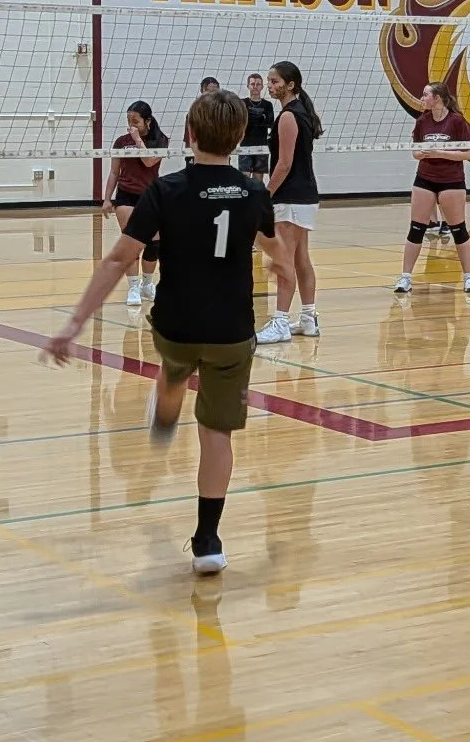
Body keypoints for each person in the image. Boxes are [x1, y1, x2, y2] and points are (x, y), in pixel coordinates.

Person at [45, 89, 289, 571]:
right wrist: (280, 266)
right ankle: (208, 542)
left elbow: (118, 260)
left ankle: (168, 399)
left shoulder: (167, 190)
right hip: (232, 331)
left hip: (176, 325)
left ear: (189, 134)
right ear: (241, 136)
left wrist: (74, 324)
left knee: (175, 366)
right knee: (217, 433)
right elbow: (274, 249)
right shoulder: (254, 193)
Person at [257, 60, 322, 345]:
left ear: (290, 84)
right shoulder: (300, 112)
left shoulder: (288, 116)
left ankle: (281, 321)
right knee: (300, 258)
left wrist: (265, 194)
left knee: (283, 261)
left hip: (292, 197)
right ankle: (308, 319)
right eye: (269, 81)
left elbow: (283, 164)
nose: (269, 86)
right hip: (304, 195)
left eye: (274, 81)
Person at [395, 81, 470, 294]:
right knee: (416, 229)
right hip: (425, 178)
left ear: (437, 98)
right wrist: (422, 153)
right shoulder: (422, 121)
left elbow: (469, 154)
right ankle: (405, 278)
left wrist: (441, 153)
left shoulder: (456, 121)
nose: (422, 98)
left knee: (458, 230)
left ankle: (469, 278)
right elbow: (415, 152)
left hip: (452, 180)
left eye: (425, 95)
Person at [103, 102, 168, 307]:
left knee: (154, 244)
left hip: (150, 196)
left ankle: (147, 284)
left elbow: (149, 162)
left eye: (135, 121)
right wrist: (107, 198)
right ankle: (133, 287)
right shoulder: (121, 142)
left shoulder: (160, 140)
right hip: (126, 196)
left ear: (147, 121)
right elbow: (114, 172)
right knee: (132, 242)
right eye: (129, 121)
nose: (131, 125)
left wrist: (138, 140)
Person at [241, 72, 275, 178]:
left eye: (258, 84)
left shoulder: (267, 105)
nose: (255, 86)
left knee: (258, 180)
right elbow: (239, 122)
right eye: (252, 84)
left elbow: (270, 123)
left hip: (262, 146)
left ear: (262, 87)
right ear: (248, 86)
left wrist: (260, 119)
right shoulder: (242, 103)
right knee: (244, 177)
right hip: (245, 145)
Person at [179, 76, 219, 149]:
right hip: (200, 151)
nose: (211, 95)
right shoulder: (193, 113)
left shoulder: (224, 112)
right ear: (202, 91)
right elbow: (189, 139)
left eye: (214, 92)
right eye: (208, 91)